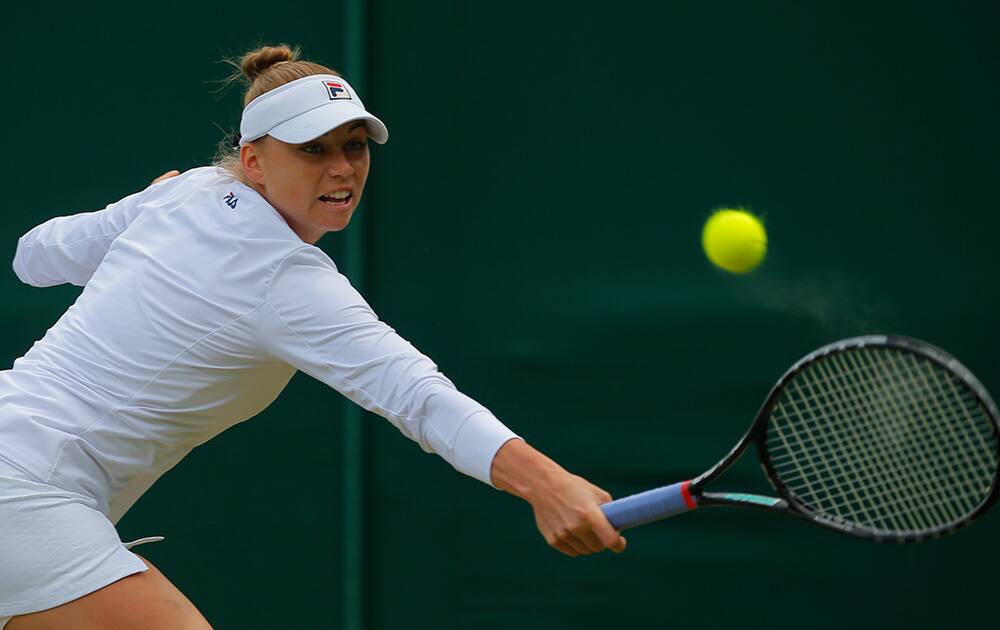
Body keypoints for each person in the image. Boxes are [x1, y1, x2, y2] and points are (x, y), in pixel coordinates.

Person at [0, 45, 625, 629]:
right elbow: (419, 397)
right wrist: (547, 484)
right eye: (312, 149)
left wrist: (148, 205)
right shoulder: (286, 278)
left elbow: (35, 257)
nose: (341, 168)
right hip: (24, 494)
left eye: (354, 146)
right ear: (253, 160)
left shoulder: (188, 192)